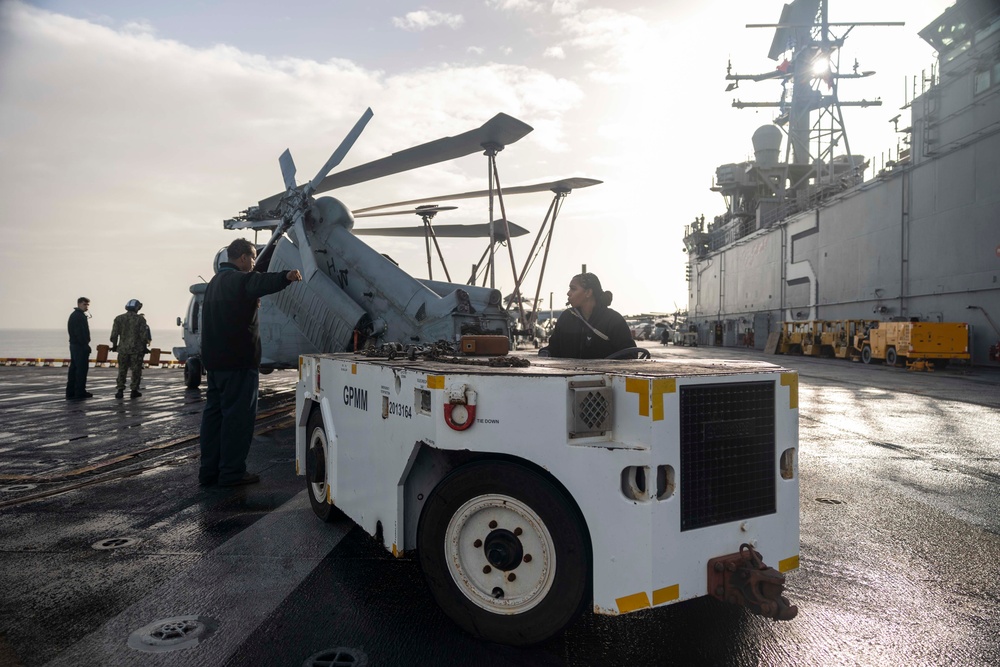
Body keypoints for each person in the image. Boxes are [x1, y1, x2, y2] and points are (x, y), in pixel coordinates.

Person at [199, 238, 302, 487]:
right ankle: (232, 473)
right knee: (238, 420)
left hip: (215, 364)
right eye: (253, 258)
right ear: (243, 258)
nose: (254, 263)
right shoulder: (238, 280)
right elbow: (259, 282)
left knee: (214, 419)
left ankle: (209, 471)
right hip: (237, 364)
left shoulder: (214, 283)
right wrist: (286, 276)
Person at [546, 272, 634, 359]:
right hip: (569, 373)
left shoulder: (614, 320)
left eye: (573, 289)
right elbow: (554, 348)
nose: (568, 293)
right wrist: (545, 352)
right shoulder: (566, 317)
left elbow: (630, 354)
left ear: (588, 292)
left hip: (604, 373)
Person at [111, 299, 152, 399]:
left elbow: (114, 335)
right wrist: (145, 347)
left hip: (123, 350)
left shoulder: (118, 318)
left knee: (122, 370)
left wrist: (114, 345)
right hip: (136, 351)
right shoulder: (140, 319)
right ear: (137, 308)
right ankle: (134, 390)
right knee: (136, 370)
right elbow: (143, 336)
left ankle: (120, 390)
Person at [66, 297, 93, 399]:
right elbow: (80, 333)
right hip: (79, 346)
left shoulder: (75, 315)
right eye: (85, 304)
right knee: (81, 370)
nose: (86, 307)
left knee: (74, 369)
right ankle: (79, 392)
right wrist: (85, 345)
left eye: (87, 305)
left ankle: (71, 392)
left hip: (74, 345)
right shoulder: (79, 316)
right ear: (79, 304)